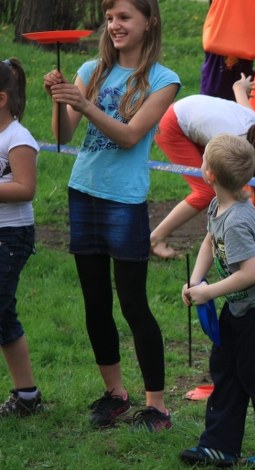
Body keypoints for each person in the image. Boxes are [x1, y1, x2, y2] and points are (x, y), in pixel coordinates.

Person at [43, 0, 180, 431]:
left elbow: (129, 135)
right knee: (96, 302)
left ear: (148, 23)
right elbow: (63, 136)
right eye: (109, 19)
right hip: (83, 193)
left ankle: (156, 405)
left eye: (124, 18)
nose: (115, 26)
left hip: (123, 201)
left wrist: (84, 107)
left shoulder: (163, 79)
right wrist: (61, 98)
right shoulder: (91, 70)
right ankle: (115, 394)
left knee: (134, 303)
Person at [179, 134, 255, 468]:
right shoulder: (220, 205)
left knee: (254, 371)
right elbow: (208, 240)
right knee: (225, 367)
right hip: (241, 302)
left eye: (203, 160)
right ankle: (220, 445)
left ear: (210, 175)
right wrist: (196, 280)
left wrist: (210, 291)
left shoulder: (238, 220)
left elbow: (251, 274)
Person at [150, 73, 255, 259]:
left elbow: (239, 92)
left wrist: (241, 86)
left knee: (230, 185)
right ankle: (156, 238)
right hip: (172, 125)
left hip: (187, 112)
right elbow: (213, 162)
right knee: (206, 191)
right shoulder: (235, 140)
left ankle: (254, 233)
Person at [0, 58, 43, 418]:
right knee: (4, 318)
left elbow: (25, 188)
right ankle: (27, 396)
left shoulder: (18, 138)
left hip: (10, 238)